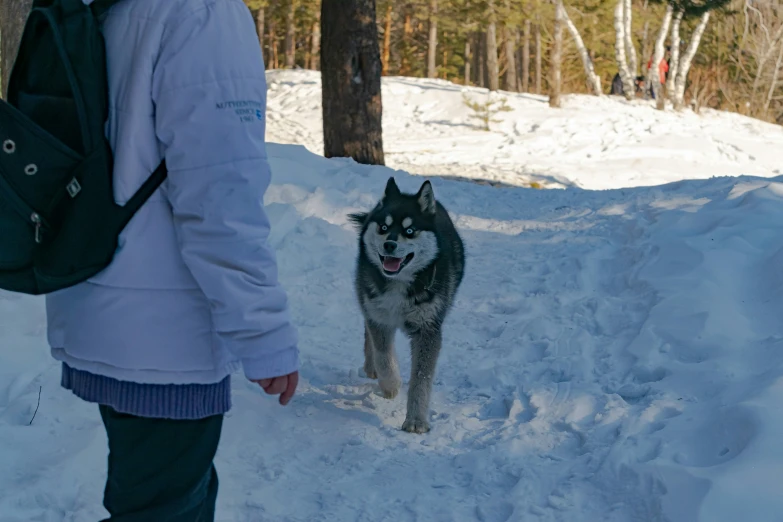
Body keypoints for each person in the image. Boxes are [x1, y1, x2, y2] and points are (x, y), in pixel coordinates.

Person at [45, 0, 300, 519]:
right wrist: (263, 333)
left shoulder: (121, 6)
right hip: (165, 340)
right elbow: (221, 195)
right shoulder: (203, 13)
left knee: (162, 495)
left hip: (106, 301)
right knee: (165, 505)